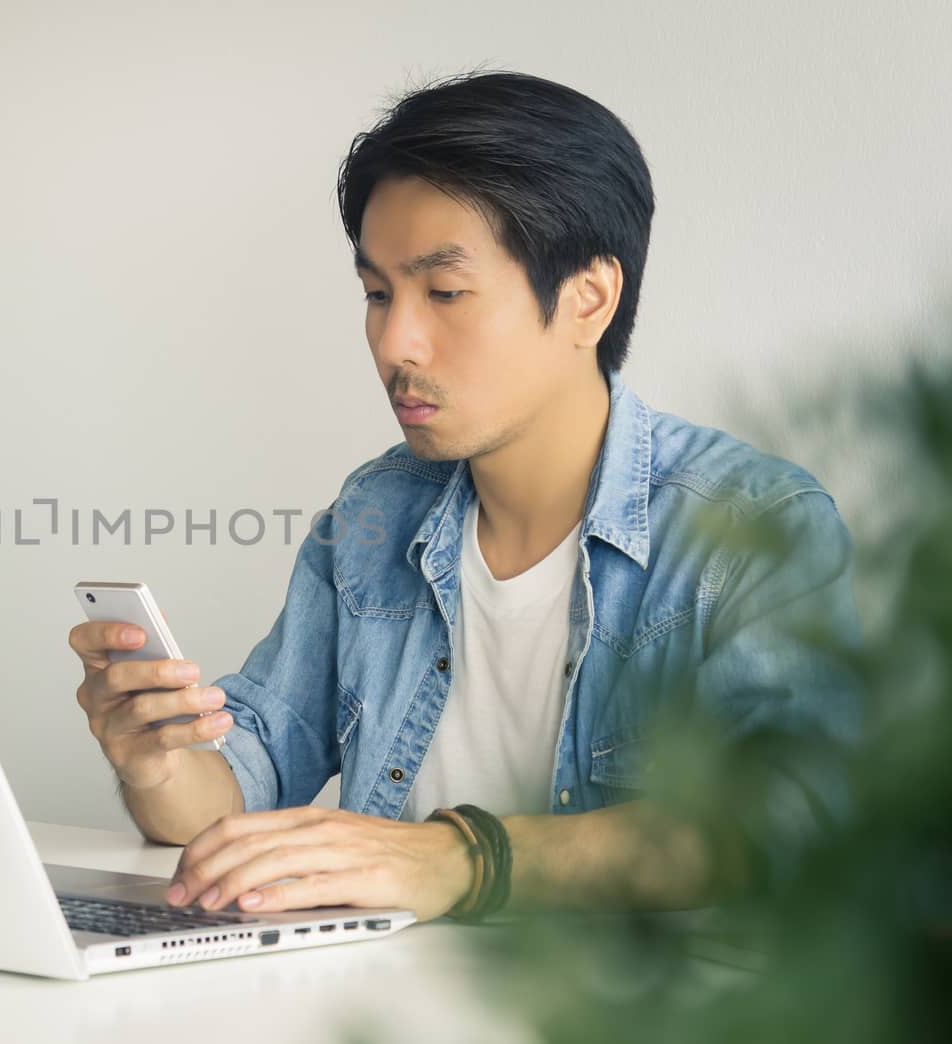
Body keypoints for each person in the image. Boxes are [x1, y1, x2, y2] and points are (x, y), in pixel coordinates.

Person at [69, 70, 861, 923]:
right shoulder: (377, 513)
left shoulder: (753, 527)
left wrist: (459, 858)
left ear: (588, 300)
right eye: (378, 294)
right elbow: (244, 783)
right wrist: (157, 764)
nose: (395, 341)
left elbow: (785, 826)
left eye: (444, 293)